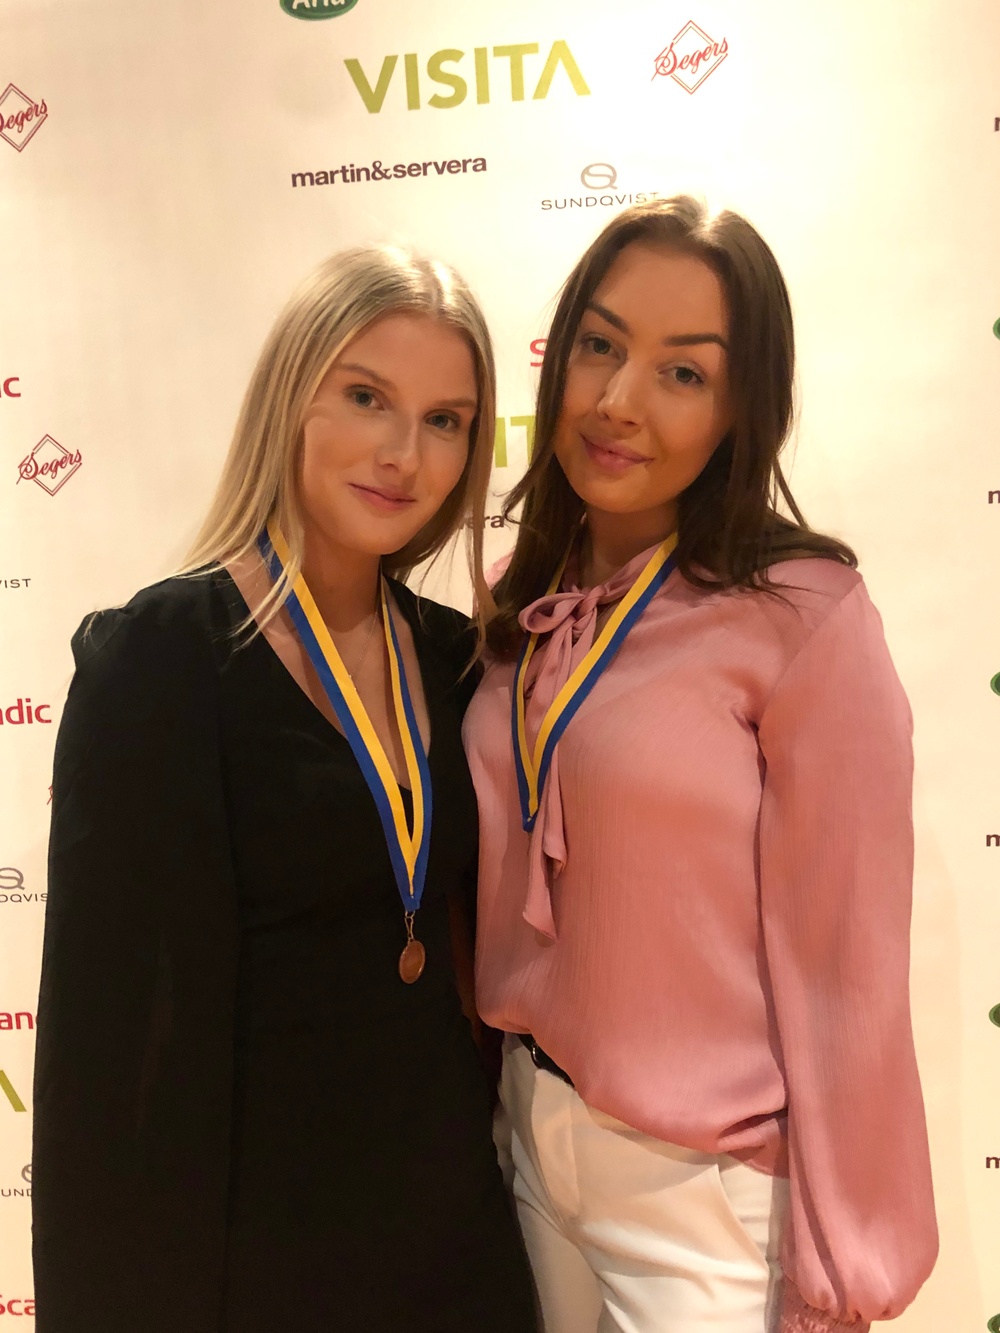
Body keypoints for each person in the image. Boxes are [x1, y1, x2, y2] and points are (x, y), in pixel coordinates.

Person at [32, 246, 538, 1333]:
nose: (405, 454)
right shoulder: (162, 660)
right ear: (290, 397)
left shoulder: (456, 660)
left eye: (447, 419)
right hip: (258, 1257)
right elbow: (108, 1061)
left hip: (453, 1245)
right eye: (367, 397)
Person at [464, 197, 938, 1333]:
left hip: (706, 1197)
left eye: (684, 374)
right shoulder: (528, 604)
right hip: (528, 1140)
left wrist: (842, 1260)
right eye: (599, 345)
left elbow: (846, 968)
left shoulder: (801, 618)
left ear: (741, 407)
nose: (618, 402)